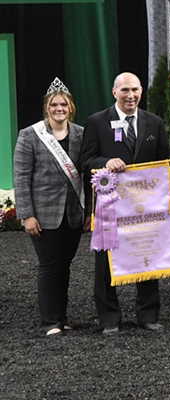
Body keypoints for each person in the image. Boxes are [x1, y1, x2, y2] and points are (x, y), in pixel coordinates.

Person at [80, 72, 170, 334]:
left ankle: (148, 315)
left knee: (147, 257)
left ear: (141, 91)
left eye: (135, 90)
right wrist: (105, 163)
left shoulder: (154, 123)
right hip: (111, 208)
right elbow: (85, 161)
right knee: (106, 262)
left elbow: (163, 163)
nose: (130, 95)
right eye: (125, 91)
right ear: (114, 92)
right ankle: (109, 319)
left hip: (145, 206)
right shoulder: (96, 122)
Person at [13, 78, 89, 336]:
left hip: (73, 213)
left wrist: (88, 212)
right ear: (47, 108)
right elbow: (21, 177)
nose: (59, 108)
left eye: (64, 104)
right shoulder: (30, 135)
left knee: (64, 265)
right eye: (54, 105)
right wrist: (27, 215)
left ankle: (61, 317)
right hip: (43, 215)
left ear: (71, 108)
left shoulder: (81, 133)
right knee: (49, 265)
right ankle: (49, 321)